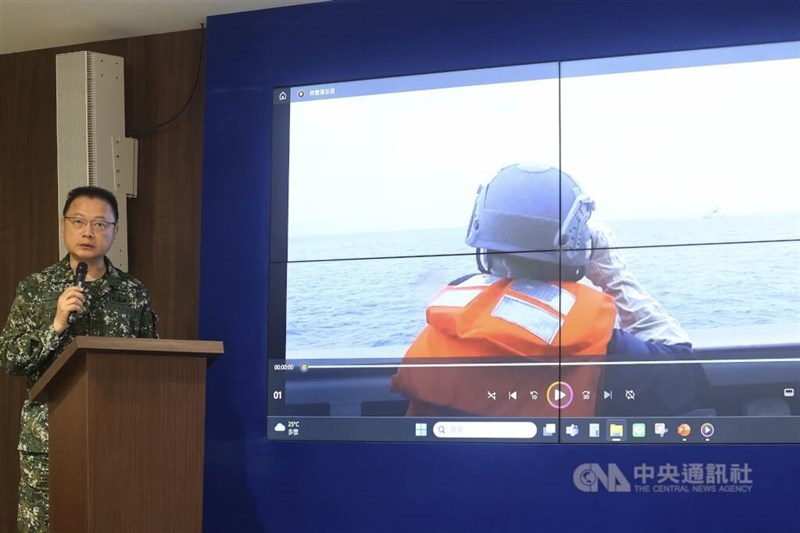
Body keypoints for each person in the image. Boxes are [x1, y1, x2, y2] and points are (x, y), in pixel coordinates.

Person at [391, 162, 707, 418]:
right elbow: (689, 376)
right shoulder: (602, 350)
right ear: (579, 246)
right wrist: (615, 276)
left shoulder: (446, 323)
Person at [0, 186, 158, 532]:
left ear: (115, 232)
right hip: (48, 439)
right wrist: (55, 325)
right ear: (63, 226)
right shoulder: (36, 288)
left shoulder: (133, 293)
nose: (88, 232)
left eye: (101, 224)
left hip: (116, 438)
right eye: (79, 221)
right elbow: (10, 359)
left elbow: (152, 364)